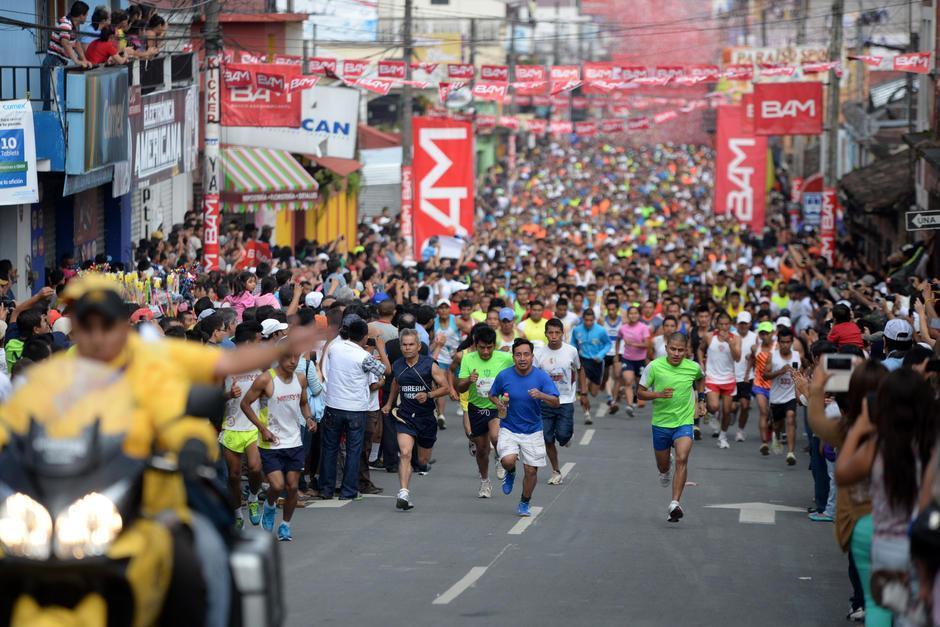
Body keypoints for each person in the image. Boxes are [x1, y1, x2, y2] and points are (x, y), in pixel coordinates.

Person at [239, 347, 315, 541]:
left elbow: (304, 402)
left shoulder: (300, 379)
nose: (293, 361)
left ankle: (285, 526)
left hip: (294, 441)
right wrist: (262, 429)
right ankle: (270, 506)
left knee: (291, 487)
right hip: (271, 443)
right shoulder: (266, 379)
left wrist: (308, 419)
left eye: (296, 357)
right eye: (288, 357)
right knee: (277, 484)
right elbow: (245, 404)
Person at [383, 328, 454, 510]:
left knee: (422, 461)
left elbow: (446, 388)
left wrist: (429, 395)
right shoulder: (398, 365)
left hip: (426, 418)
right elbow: (396, 384)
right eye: (404, 345)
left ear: (418, 346)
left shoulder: (429, 365)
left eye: (411, 345)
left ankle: (422, 465)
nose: (407, 348)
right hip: (405, 416)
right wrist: (389, 404)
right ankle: (403, 493)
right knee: (405, 453)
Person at [638, 332, 705, 522]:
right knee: (663, 465)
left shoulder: (693, 368)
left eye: (680, 350)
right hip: (660, 424)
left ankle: (674, 503)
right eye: (673, 349)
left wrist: (701, 400)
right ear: (666, 347)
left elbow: (701, 379)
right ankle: (665, 470)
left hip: (684, 422)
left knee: (682, 458)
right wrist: (658, 394)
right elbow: (640, 393)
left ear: (686, 350)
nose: (676, 353)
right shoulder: (654, 367)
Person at [489, 339, 560, 517]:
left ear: (532, 357)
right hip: (509, 428)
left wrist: (541, 395)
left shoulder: (541, 377)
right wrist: (499, 404)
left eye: (526, 354)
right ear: (513, 357)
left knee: (530, 470)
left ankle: (524, 502)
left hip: (533, 430)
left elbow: (556, 402)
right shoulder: (504, 375)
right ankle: (510, 472)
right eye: (518, 354)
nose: (522, 358)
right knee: (507, 460)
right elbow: (492, 394)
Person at [320, 317, 386, 500]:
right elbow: (383, 370)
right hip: (356, 408)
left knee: (330, 449)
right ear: (365, 337)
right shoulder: (363, 356)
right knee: (353, 450)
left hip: (333, 404)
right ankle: (349, 491)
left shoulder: (334, 348)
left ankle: (326, 489)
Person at [456, 325, 513, 497]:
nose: (486, 352)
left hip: (496, 406)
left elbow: (522, 364)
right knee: (481, 449)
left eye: (489, 347)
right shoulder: (468, 359)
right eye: (482, 348)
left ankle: (499, 458)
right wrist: (469, 380)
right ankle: (485, 481)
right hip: (476, 407)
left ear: (494, 345)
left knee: (495, 436)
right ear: (475, 345)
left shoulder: (504, 358)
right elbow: (459, 387)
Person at [220, 321, 264, 529]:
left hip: (254, 424)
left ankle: (253, 497)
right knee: (234, 475)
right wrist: (229, 394)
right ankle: (237, 512)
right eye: (257, 340)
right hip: (230, 424)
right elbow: (214, 394)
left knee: (255, 468)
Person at [534, 318, 581, 485]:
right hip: (545, 401)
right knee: (547, 438)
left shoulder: (571, 351)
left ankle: (567, 435)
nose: (554, 336)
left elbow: (578, 369)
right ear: (545, 334)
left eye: (557, 333)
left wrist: (582, 391)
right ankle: (556, 471)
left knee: (563, 436)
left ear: (562, 334)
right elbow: (533, 376)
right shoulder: (539, 354)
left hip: (565, 400)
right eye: (550, 332)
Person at [700, 312, 741, 449]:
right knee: (715, 406)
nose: (723, 327)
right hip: (712, 377)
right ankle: (711, 413)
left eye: (726, 324)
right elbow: (700, 350)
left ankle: (722, 436)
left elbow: (737, 358)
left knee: (727, 411)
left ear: (730, 325)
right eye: (721, 324)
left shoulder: (735, 338)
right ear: (716, 324)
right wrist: (701, 363)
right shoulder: (709, 336)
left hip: (728, 379)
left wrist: (730, 343)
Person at [42, 1, 92, 109]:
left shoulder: (72, 25)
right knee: (50, 98)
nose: (87, 17)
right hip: (53, 61)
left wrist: (84, 59)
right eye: (86, 14)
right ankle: (47, 123)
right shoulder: (66, 24)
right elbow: (65, 43)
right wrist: (77, 61)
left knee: (57, 97)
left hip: (58, 62)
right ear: (81, 15)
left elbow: (76, 43)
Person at [763, 327, 801, 466]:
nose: (785, 345)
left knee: (790, 418)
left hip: (791, 396)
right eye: (782, 342)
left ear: (792, 342)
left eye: (788, 342)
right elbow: (765, 375)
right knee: (777, 425)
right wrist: (780, 371)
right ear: (778, 342)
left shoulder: (797, 355)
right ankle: (776, 435)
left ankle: (791, 453)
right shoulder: (773, 356)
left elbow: (805, 371)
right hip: (776, 397)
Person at [570, 307, 612, 425]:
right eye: (586, 320)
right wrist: (574, 353)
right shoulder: (577, 330)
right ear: (583, 319)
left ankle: (596, 386)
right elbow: (573, 342)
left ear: (594, 320)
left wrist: (601, 354)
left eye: (590, 320)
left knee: (594, 392)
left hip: (597, 362)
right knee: (584, 386)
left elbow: (608, 344)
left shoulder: (601, 331)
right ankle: (587, 414)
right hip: (583, 361)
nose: (588, 323)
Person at [615, 305, 650, 417]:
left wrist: (633, 344)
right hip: (627, 359)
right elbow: (618, 339)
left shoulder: (643, 328)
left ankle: (634, 397)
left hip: (640, 360)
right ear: (627, 315)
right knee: (628, 381)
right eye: (631, 313)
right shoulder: (623, 328)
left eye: (635, 313)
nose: (633, 315)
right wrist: (617, 353)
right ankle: (629, 405)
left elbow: (647, 344)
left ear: (639, 315)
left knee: (640, 384)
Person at [732, 311, 757, 442]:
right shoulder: (731, 336)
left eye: (745, 323)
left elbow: (760, 357)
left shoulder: (755, 337)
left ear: (750, 324)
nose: (743, 326)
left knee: (745, 405)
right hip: (731, 376)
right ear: (737, 324)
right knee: (731, 407)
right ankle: (733, 413)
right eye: (741, 323)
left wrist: (753, 356)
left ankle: (740, 431)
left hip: (747, 376)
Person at [751, 321, 776, 455]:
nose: (765, 335)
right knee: (763, 412)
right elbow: (751, 360)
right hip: (759, 384)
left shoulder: (777, 348)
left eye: (767, 333)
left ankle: (772, 430)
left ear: (772, 333)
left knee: (773, 415)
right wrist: (746, 374)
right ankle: (764, 443)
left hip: (774, 386)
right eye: (762, 333)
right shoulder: (755, 348)